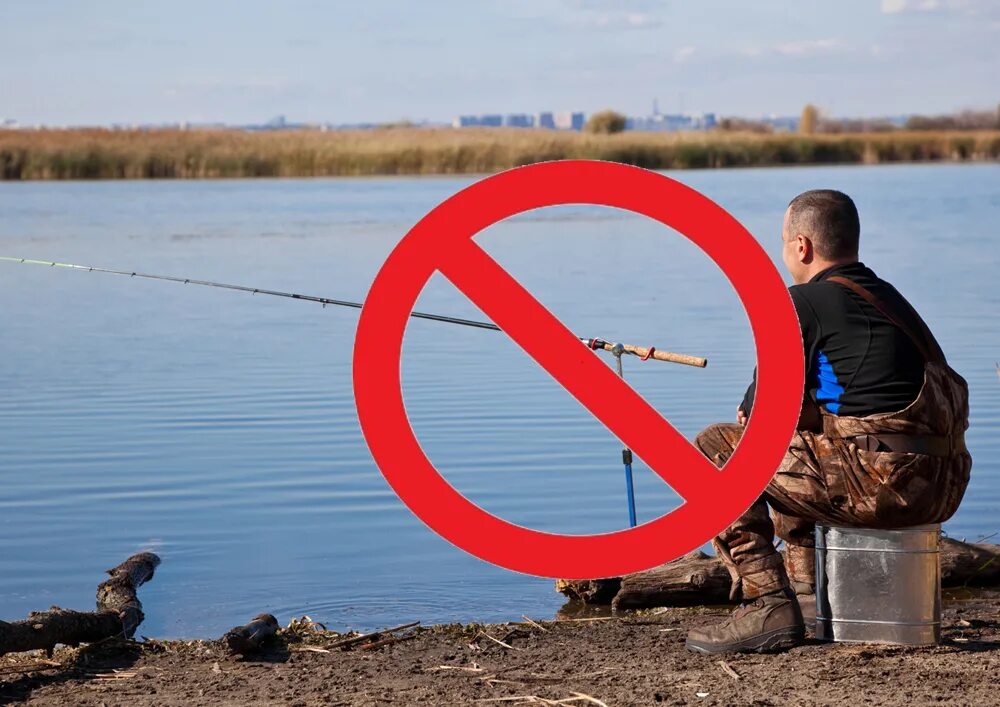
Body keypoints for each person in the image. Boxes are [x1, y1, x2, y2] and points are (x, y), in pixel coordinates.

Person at [685, 189, 972, 655]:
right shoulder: (890, 300)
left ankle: (768, 601)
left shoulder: (802, 302)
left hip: (883, 488)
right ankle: (806, 590)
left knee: (715, 445)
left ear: (801, 246)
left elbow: (762, 415)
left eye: (782, 243)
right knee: (801, 440)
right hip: (942, 485)